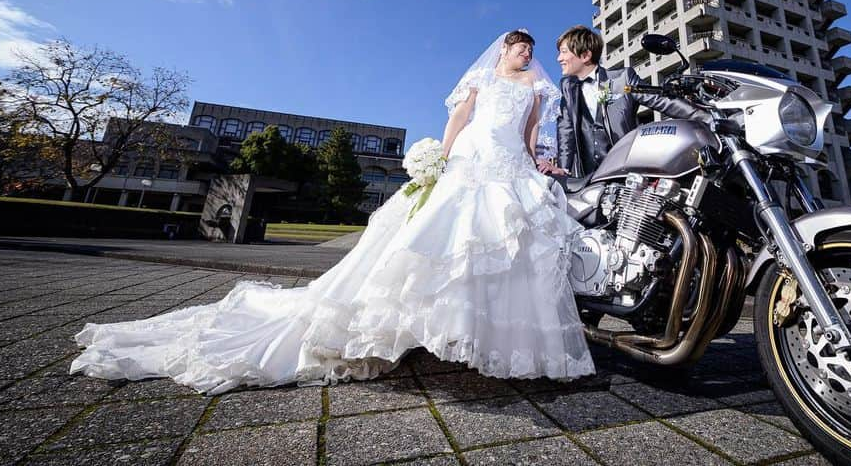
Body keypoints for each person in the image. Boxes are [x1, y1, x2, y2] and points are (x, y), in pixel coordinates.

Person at [69, 30, 595, 394]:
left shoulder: (537, 89)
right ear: (503, 49)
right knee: (446, 243)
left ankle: (497, 342)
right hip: (472, 158)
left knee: (510, 244)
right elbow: (459, 120)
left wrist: (537, 161)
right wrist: (443, 159)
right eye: (520, 48)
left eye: (530, 51)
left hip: (510, 164)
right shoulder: (481, 82)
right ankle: (431, 331)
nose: (526, 56)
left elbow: (530, 134)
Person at [538, 25, 706, 179]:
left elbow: (661, 100)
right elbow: (565, 129)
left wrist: (706, 118)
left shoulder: (622, 78)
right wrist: (564, 169)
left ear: (585, 55)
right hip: (587, 176)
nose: (559, 58)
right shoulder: (568, 87)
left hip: (625, 169)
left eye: (564, 52)